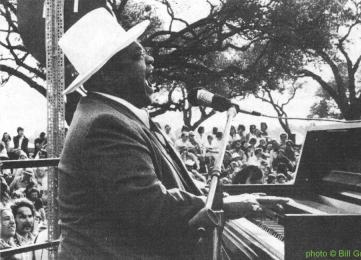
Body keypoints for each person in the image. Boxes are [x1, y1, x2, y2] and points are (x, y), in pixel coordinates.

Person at [57, 9, 288, 260]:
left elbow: (173, 182)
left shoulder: (116, 115)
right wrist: (224, 206)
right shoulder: (105, 124)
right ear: (107, 74)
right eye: (139, 56)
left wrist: (227, 197)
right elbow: (151, 206)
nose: (151, 61)